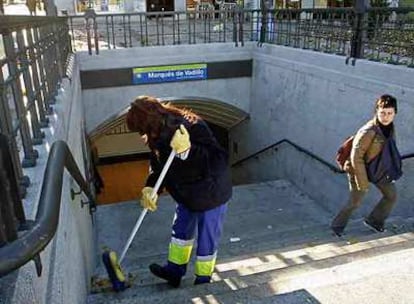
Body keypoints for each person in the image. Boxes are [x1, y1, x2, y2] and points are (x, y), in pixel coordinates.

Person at [126, 95, 232, 287]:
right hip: (185, 193)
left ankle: (203, 279)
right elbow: (159, 165)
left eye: (141, 129)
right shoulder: (155, 136)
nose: (141, 134)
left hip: (210, 191)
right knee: (180, 232)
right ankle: (174, 271)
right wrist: (151, 187)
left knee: (207, 238)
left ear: (150, 122)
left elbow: (217, 159)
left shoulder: (191, 125)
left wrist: (188, 151)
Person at [331, 94, 401, 237]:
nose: (386, 117)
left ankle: (374, 221)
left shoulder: (390, 127)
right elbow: (356, 157)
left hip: (377, 168)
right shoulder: (368, 131)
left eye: (389, 113)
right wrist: (362, 182)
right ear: (376, 111)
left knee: (391, 196)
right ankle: (337, 227)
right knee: (355, 202)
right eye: (382, 113)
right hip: (358, 168)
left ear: (395, 113)